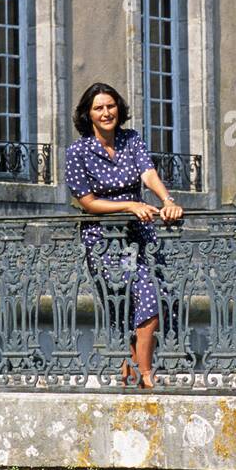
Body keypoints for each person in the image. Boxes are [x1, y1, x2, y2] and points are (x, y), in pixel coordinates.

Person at [64, 83, 183, 389]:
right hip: (104, 240)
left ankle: (137, 372)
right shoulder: (78, 151)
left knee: (154, 298)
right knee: (127, 304)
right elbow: (87, 202)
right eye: (99, 108)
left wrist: (167, 201)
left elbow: (147, 173)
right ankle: (142, 375)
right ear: (88, 114)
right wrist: (130, 205)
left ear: (119, 108)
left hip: (139, 235)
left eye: (110, 106)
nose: (106, 112)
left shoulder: (131, 140)